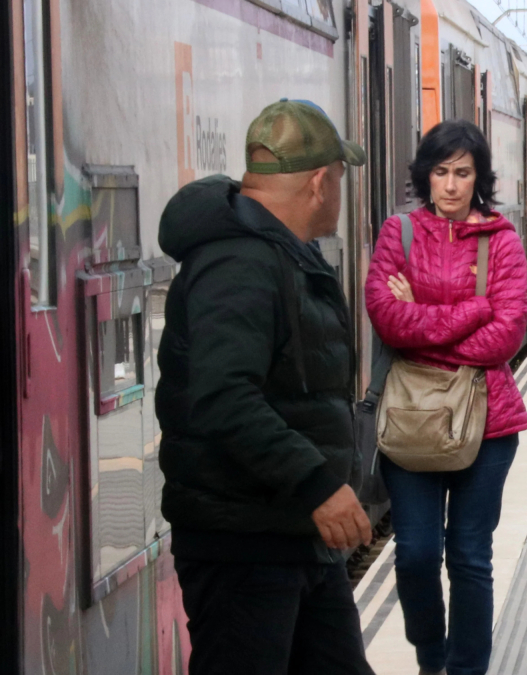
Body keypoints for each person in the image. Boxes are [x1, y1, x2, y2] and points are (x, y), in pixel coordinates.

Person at [155, 99, 374, 675]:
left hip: (292, 534)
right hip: (245, 543)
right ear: (321, 182)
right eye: (340, 178)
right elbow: (223, 397)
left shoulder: (277, 253)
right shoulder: (239, 263)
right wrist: (316, 484)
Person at [365, 119, 527, 675]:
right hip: (412, 419)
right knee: (414, 554)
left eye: (463, 173)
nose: (453, 185)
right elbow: (387, 320)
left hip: (488, 422)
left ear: (479, 177)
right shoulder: (399, 234)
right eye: (441, 172)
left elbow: (508, 333)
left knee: (468, 556)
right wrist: (471, 310)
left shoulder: (502, 241)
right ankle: (431, 656)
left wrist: (423, 323)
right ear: (425, 176)